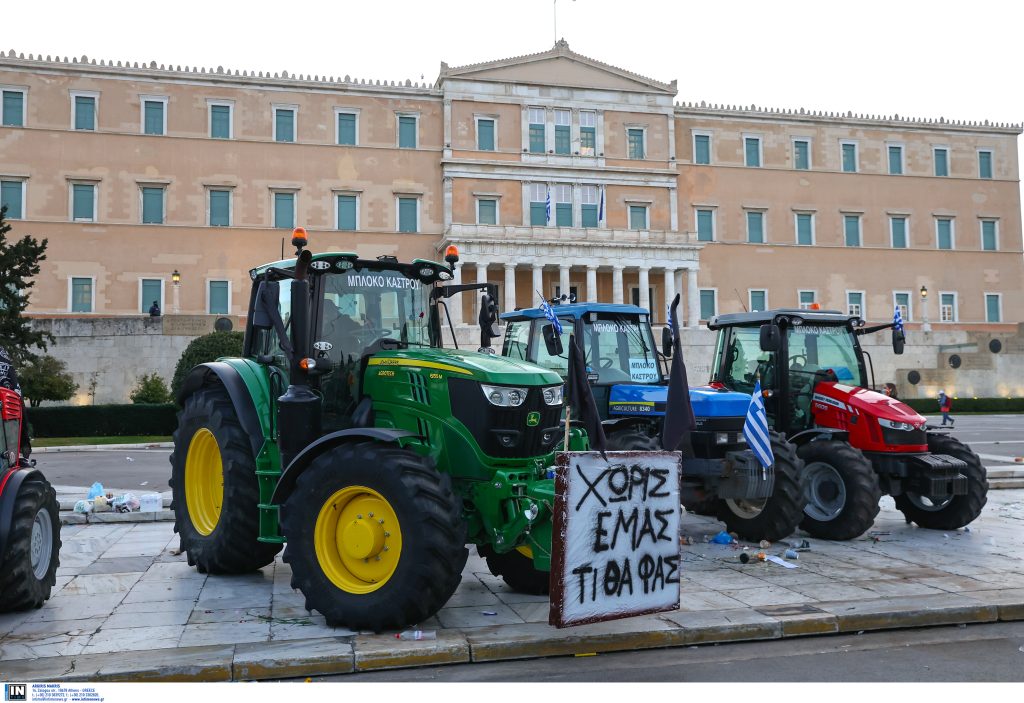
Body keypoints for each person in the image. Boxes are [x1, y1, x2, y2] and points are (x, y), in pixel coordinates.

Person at [0, 346, 33, 463]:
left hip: (7, 395)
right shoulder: (3, 353)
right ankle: (23, 447)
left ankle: (23, 447)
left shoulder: (2, 354)